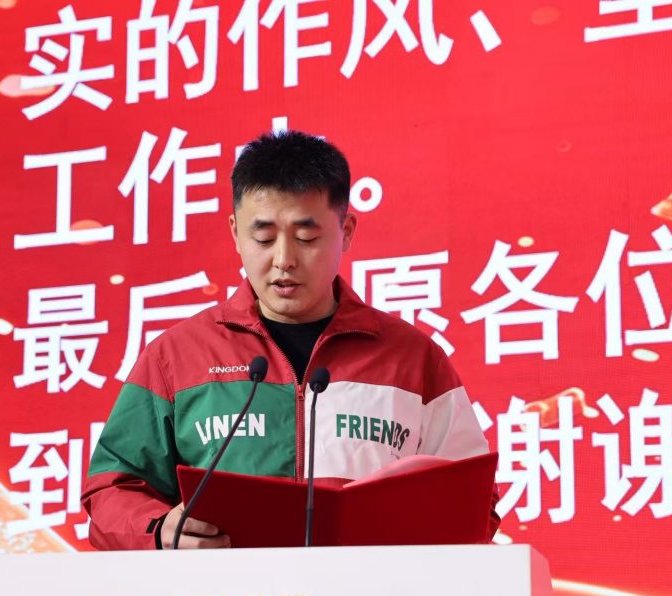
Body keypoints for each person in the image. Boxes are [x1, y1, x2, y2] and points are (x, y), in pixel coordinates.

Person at [82, 130, 491, 550]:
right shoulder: (175, 357)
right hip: (226, 593)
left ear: (346, 230)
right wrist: (157, 529)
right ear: (235, 233)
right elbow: (112, 488)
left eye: (306, 238)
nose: (283, 259)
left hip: (372, 592)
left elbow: (474, 500)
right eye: (263, 238)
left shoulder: (414, 359)